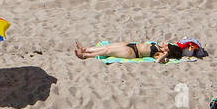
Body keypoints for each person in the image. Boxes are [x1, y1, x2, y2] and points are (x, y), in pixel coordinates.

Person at [74, 40, 202, 62]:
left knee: (107, 52)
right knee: (109, 46)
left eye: (167, 45)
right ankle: (85, 49)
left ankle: (86, 56)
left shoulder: (162, 54)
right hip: (132, 45)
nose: (165, 43)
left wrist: (166, 54)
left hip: (133, 53)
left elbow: (158, 61)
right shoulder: (158, 45)